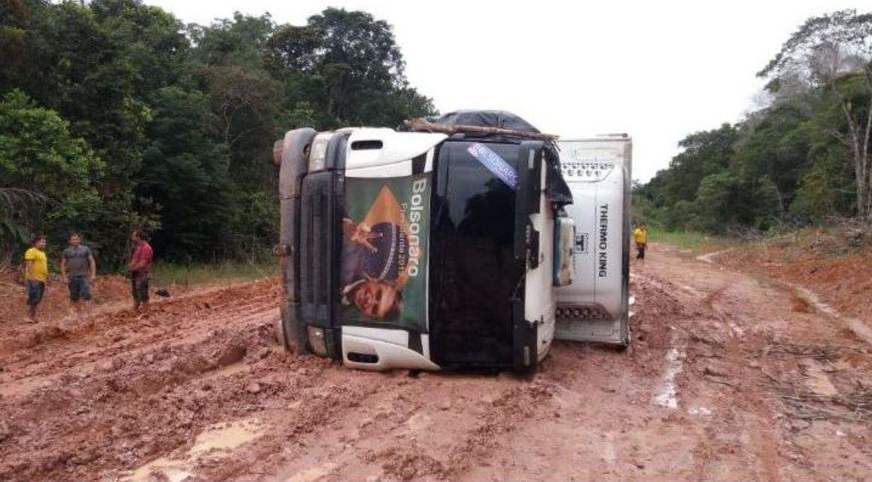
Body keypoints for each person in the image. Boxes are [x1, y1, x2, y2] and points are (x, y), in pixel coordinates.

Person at [341, 218, 404, 320]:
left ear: (369, 316)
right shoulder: (353, 253)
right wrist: (347, 229)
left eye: (374, 309)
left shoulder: (342, 315)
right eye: (378, 294)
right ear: (378, 280)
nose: (370, 300)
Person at [60, 232, 96, 320]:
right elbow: (63, 264)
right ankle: (79, 315)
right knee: (74, 297)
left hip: (83, 276)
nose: (75, 241)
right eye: (73, 239)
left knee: (86, 295)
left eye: (76, 239)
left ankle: (89, 315)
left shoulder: (85, 249)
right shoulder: (66, 251)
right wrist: (64, 277)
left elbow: (91, 261)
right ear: (70, 241)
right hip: (72, 277)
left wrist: (93, 274)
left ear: (79, 240)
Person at [23, 235, 49, 323]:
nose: (44, 244)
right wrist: (32, 277)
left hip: (41, 279)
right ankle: (27, 316)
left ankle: (33, 317)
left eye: (45, 242)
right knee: (32, 297)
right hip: (33, 279)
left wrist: (46, 278)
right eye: (42, 242)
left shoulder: (42, 253)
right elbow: (29, 264)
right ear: (36, 242)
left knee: (37, 298)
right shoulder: (31, 251)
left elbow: (43, 267)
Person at [128, 229, 153, 313]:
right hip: (136, 273)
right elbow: (134, 259)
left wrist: (132, 268)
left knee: (143, 293)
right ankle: (135, 310)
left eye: (134, 236)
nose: (132, 238)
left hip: (142, 273)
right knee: (135, 292)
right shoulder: (138, 248)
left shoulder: (147, 248)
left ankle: (146, 311)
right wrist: (131, 266)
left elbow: (143, 263)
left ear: (138, 237)